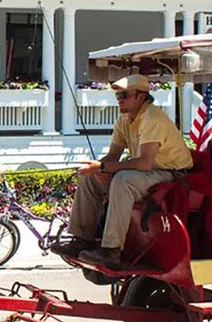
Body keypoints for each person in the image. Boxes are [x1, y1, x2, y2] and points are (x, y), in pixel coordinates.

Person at [50, 74, 193, 268]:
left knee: (123, 180)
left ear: (141, 97)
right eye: (118, 96)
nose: (120, 100)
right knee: (90, 179)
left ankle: (111, 250)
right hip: (149, 172)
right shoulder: (124, 120)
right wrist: (95, 168)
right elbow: (112, 156)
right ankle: (81, 239)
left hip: (171, 174)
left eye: (124, 95)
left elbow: (144, 163)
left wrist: (103, 167)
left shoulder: (152, 119)